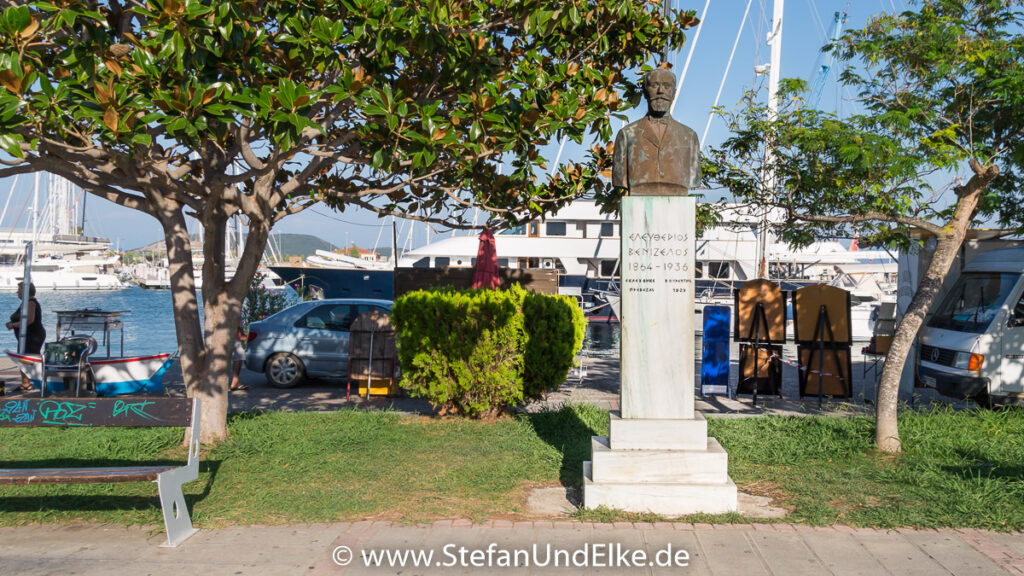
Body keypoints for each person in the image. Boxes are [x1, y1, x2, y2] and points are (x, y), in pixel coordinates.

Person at [612, 67, 701, 196]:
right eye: (654, 86)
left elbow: (694, 177)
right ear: (644, 92)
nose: (660, 91)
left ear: (674, 93)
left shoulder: (690, 136)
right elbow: (620, 177)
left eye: (666, 86)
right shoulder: (626, 135)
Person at [6, 282, 45, 391]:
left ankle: (36, 381)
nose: (17, 292)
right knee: (23, 357)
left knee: (27, 357)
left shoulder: (31, 302)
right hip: (26, 336)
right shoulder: (25, 303)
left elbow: (29, 320)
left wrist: (13, 325)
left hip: (33, 335)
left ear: (25, 291)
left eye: (19, 289)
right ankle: (25, 383)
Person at [230, 322, 248, 391]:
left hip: (233, 336)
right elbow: (234, 320)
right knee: (239, 356)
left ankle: (236, 382)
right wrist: (242, 334)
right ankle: (235, 383)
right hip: (234, 337)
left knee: (239, 357)